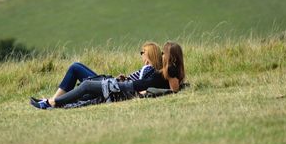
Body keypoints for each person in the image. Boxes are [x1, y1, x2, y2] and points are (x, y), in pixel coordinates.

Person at [31, 41, 185, 109]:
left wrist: (147, 92)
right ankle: (51, 101)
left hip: (122, 88)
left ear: (171, 56)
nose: (162, 55)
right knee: (84, 90)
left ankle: (52, 102)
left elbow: (173, 89)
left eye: (164, 53)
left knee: (85, 85)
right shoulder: (164, 71)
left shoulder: (168, 70)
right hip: (122, 86)